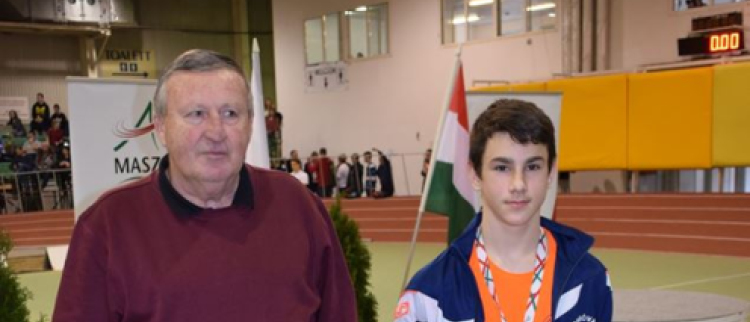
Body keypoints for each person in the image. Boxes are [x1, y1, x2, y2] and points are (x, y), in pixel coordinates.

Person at [53, 49, 356, 322]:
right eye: (196, 114)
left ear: (250, 124)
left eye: (230, 114)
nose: (215, 131)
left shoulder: (298, 206)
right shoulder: (108, 225)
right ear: (161, 127)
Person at [394, 99, 612, 322]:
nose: (518, 184)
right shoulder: (428, 294)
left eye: (533, 167)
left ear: (550, 172)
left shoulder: (590, 279)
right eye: (502, 168)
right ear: (475, 174)